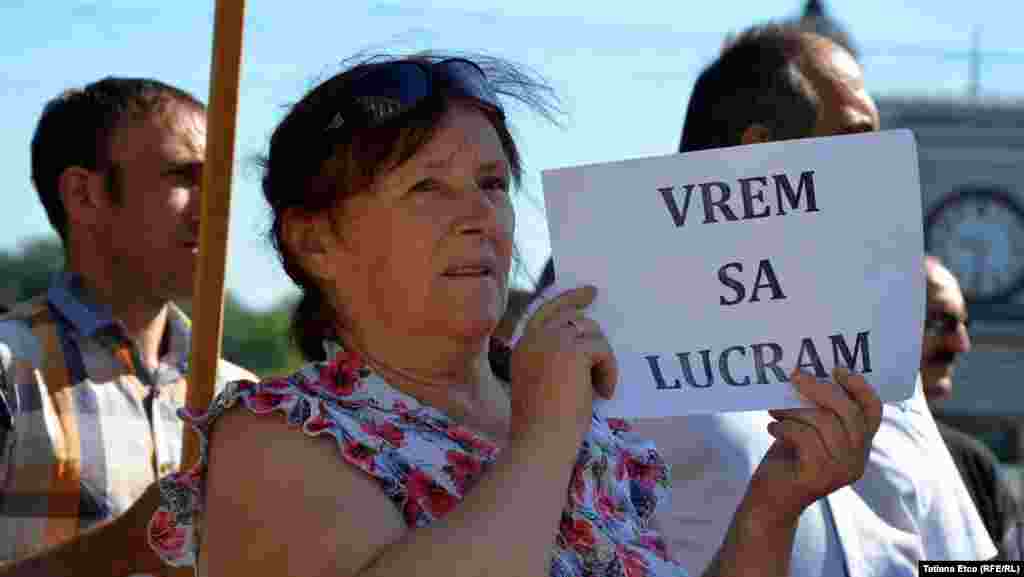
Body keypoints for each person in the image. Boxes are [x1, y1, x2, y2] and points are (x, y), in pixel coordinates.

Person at [145, 52, 881, 577]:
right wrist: (545, 436)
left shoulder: (582, 424)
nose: (480, 217)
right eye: (428, 187)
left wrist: (772, 506)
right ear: (316, 239)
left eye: (492, 183)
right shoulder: (273, 442)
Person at [623, 23, 997, 576]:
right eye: (858, 137)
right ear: (762, 155)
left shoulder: (883, 333)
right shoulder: (600, 329)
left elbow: (961, 559)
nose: (886, 163)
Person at [0, 77, 255, 576]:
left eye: (220, 180)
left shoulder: (240, 398)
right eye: (184, 177)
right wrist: (118, 548)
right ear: (84, 195)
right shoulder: (9, 372)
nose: (215, 207)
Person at [921, 255, 1023, 556]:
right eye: (942, 322)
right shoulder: (812, 457)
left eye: (964, 323)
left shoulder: (973, 466)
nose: (962, 343)